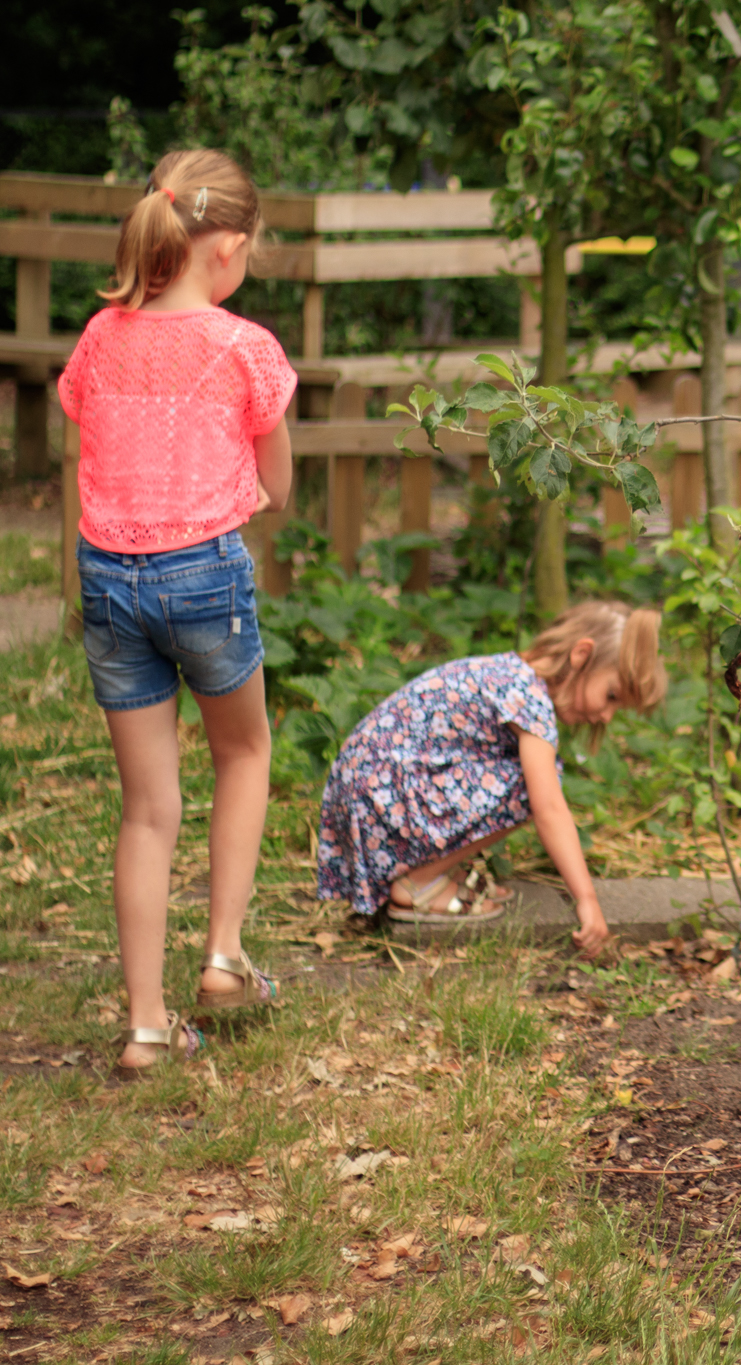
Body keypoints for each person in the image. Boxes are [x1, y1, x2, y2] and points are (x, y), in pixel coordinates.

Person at [58, 149, 296, 1075]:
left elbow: (80, 410)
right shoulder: (246, 348)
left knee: (147, 807)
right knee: (244, 749)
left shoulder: (99, 334)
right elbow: (276, 488)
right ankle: (224, 955)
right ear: (228, 249)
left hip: (110, 579)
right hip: (203, 575)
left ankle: (147, 1027)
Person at [315, 601, 666, 956]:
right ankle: (418, 883)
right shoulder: (529, 699)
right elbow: (549, 809)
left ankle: (437, 870)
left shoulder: (509, 672)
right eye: (611, 696)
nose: (605, 715)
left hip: (368, 790)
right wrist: (587, 899)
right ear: (581, 654)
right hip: (379, 796)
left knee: (522, 772)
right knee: (534, 784)